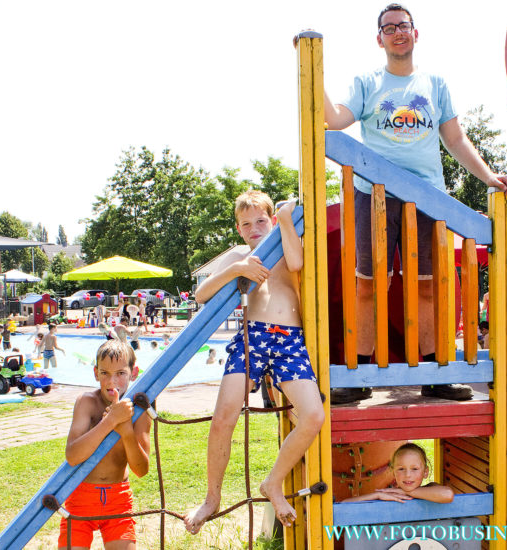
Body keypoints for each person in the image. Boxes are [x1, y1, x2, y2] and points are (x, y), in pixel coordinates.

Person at [322, 3, 507, 403]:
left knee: (428, 286)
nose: (397, 32)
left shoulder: (435, 84)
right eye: (389, 28)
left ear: (415, 33)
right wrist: (314, 71)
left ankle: (434, 373)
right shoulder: (367, 82)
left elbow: (455, 138)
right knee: (367, 285)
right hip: (374, 194)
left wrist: (489, 177)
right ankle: (358, 375)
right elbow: (336, 119)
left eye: (403, 25)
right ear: (379, 39)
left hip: (427, 196)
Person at [184, 191, 324, 534]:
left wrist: (286, 219)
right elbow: (201, 295)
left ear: (271, 220)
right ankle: (212, 498)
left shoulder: (285, 242)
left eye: (261, 220)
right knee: (223, 417)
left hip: (290, 340)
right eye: (246, 224)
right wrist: (237, 268)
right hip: (253, 337)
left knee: (313, 415)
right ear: (238, 229)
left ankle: (273, 482)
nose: (254, 228)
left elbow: (296, 264)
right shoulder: (239, 255)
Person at [60, 339, 151, 550]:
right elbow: (73, 456)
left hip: (118, 499)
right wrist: (110, 421)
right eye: (105, 373)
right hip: (80, 496)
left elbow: (141, 469)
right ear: (95, 373)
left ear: (134, 372)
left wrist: (126, 431)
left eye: (120, 373)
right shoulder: (87, 402)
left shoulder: (141, 407)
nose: (112, 381)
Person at [341, 443, 454, 503]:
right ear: (393, 472)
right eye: (401, 469)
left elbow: (448, 495)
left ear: (425, 472)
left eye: (414, 469)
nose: (408, 475)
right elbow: (344, 504)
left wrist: (407, 492)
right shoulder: (389, 495)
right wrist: (376, 495)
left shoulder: (430, 488)